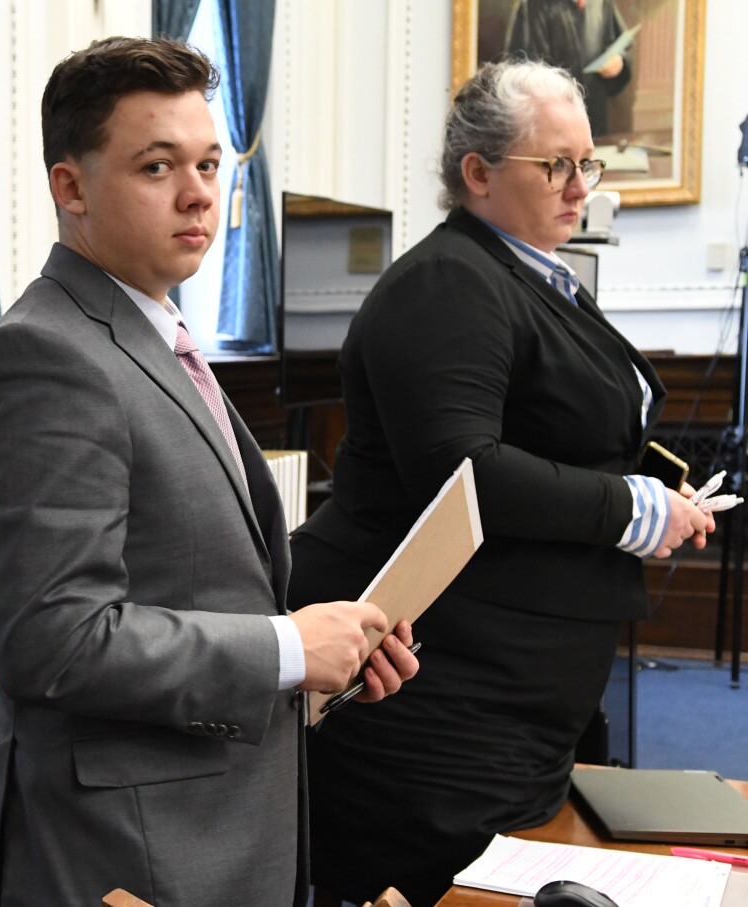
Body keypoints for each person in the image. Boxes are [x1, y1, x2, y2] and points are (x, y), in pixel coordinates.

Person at [0, 35, 418, 907]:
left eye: (207, 162)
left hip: (216, 822)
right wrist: (285, 647)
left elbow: (200, 584)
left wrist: (329, 655)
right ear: (71, 186)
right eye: (158, 166)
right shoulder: (47, 357)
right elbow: (52, 639)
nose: (201, 191)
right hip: (128, 858)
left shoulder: (152, 335)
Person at [287, 59, 713, 907]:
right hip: (444, 696)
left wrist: (656, 493)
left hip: (517, 691)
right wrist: (633, 507)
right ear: (477, 173)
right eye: (554, 164)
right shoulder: (449, 280)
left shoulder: (530, 272)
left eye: (588, 162)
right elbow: (463, 467)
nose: (578, 185)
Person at [505, 0, 632, 138]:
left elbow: (616, 42)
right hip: (552, 113)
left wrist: (618, 61)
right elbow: (524, 68)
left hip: (595, 108)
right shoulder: (533, 4)